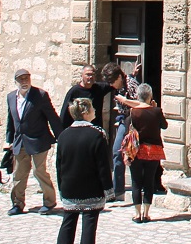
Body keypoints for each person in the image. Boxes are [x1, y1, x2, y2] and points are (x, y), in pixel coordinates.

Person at [53, 97, 112, 244]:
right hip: (90, 185)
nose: (95, 110)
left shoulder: (63, 135)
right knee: (89, 220)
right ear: (85, 112)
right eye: (93, 107)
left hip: (70, 185)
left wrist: (61, 187)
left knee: (68, 221)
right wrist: (108, 189)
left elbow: (59, 164)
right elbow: (102, 165)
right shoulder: (97, 134)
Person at [4, 68, 62, 216]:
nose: (24, 81)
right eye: (21, 79)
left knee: (39, 171)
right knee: (19, 174)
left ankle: (49, 202)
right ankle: (17, 204)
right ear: (15, 82)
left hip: (38, 140)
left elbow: (52, 116)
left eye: (26, 78)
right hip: (20, 141)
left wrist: (61, 136)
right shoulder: (11, 97)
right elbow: (11, 120)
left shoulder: (40, 95)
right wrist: (9, 140)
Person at [125, 82, 167, 223]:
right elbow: (164, 125)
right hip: (153, 151)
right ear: (150, 97)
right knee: (149, 181)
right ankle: (147, 213)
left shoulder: (133, 112)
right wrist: (155, 109)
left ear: (138, 96)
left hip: (137, 151)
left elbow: (129, 130)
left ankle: (137, 214)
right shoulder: (157, 111)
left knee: (136, 182)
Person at [101, 60, 141, 204]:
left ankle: (140, 188)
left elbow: (141, 104)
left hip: (134, 122)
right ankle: (118, 191)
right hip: (124, 121)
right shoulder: (121, 82)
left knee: (133, 155)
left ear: (118, 77)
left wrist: (124, 101)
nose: (111, 86)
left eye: (112, 82)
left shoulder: (131, 85)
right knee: (117, 152)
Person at [59, 65, 116, 133]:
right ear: (82, 75)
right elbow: (64, 115)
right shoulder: (74, 92)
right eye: (88, 74)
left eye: (92, 74)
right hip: (78, 131)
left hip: (95, 130)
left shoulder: (99, 88)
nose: (90, 77)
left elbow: (115, 84)